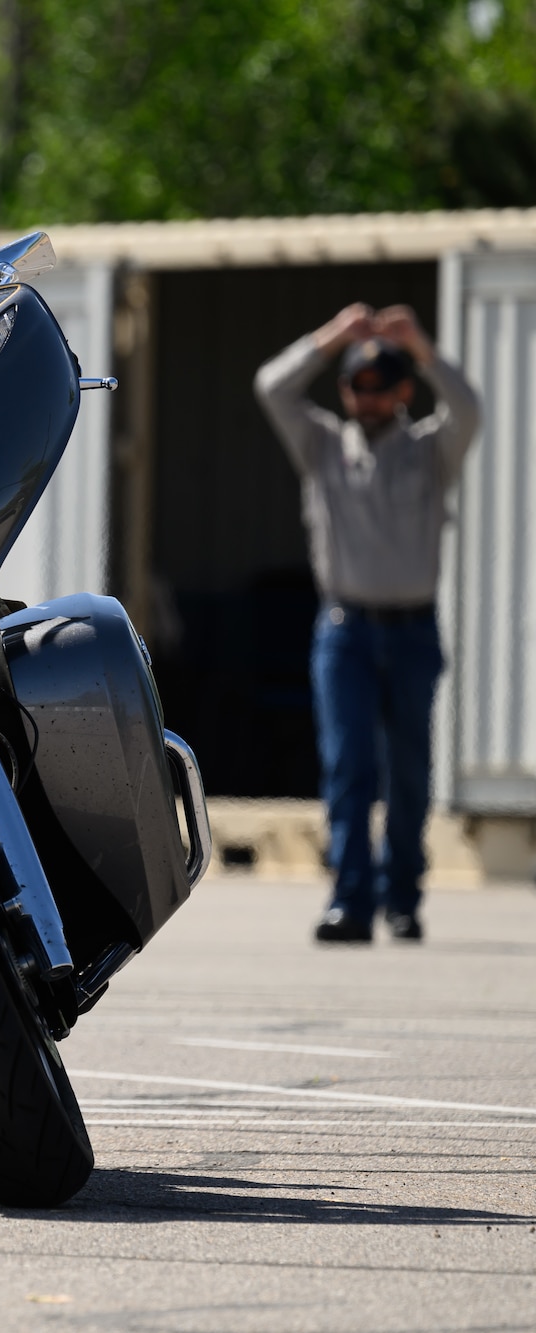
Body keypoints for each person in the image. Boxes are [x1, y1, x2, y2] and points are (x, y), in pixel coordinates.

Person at [254, 304, 482, 944]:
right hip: (345, 630)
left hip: (411, 630)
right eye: (358, 385)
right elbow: (272, 385)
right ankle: (350, 900)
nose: (369, 397)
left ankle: (402, 897)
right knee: (349, 766)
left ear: (403, 390)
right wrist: (332, 338)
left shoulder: (430, 449)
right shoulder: (324, 444)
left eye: (382, 386)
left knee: (407, 771)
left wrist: (421, 347)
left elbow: (469, 408)